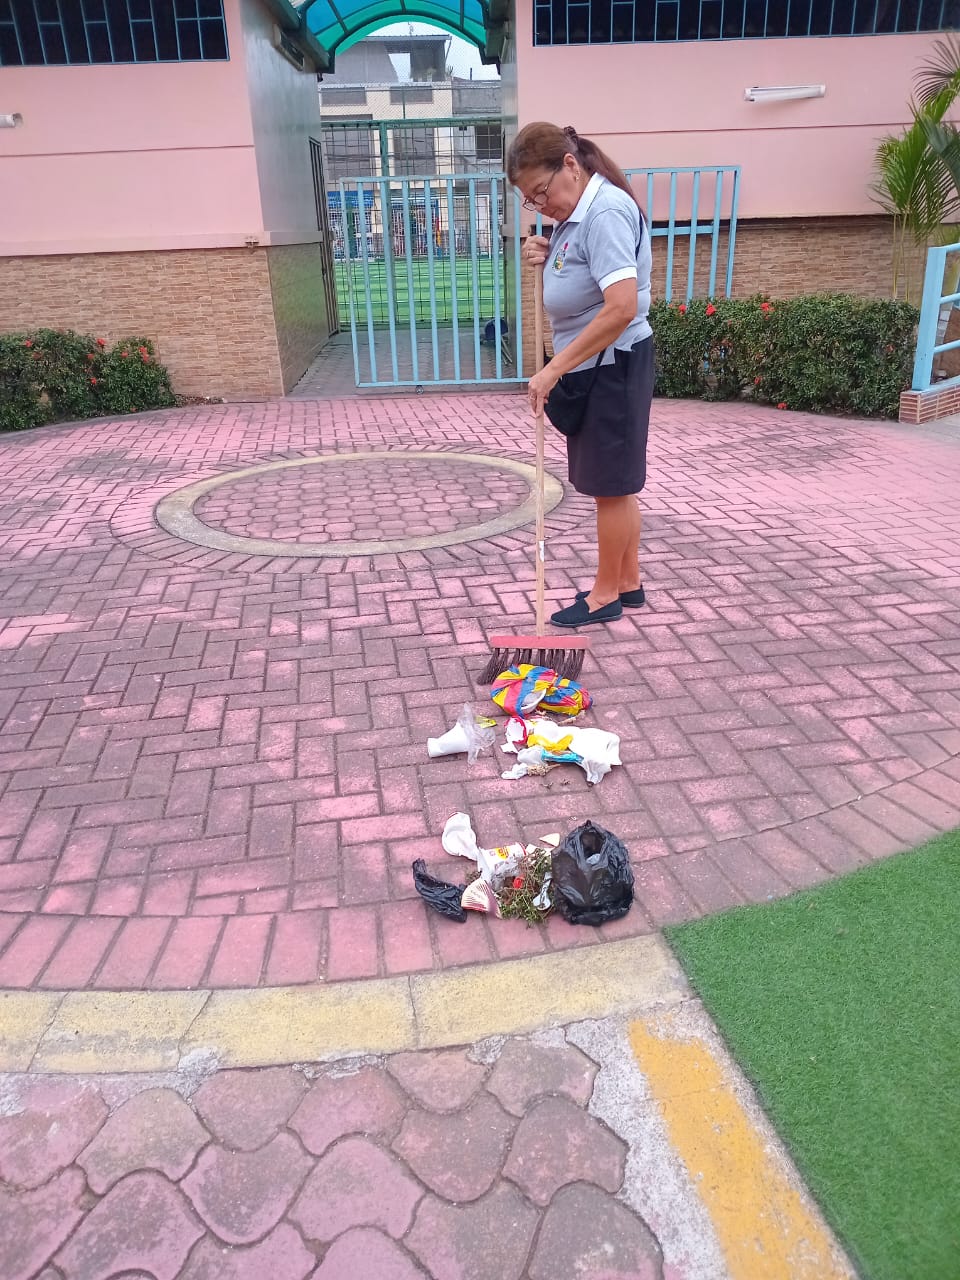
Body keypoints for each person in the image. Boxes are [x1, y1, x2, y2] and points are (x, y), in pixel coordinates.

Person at [507, 122, 653, 628]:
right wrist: (547, 257)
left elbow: (621, 307)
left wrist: (552, 369)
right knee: (616, 486)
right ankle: (628, 581)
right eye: (530, 200)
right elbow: (584, 272)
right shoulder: (577, 213)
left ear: (570, 165)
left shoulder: (605, 211)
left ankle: (604, 594)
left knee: (609, 487)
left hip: (612, 364)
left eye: (541, 191)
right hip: (601, 365)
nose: (540, 204)